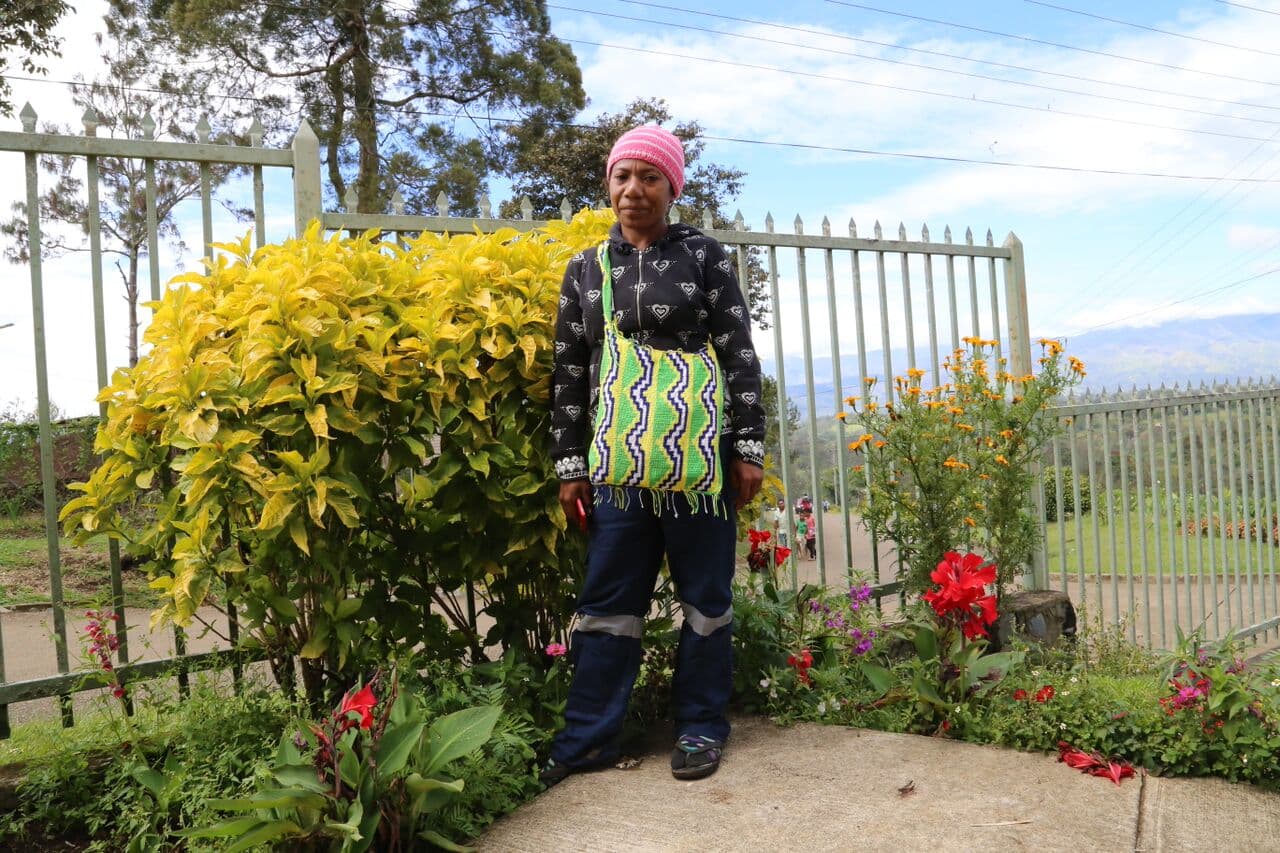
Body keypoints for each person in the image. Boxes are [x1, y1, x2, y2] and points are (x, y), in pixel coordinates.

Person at [545, 124, 765, 785]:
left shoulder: (704, 256)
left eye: (649, 177)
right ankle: (589, 738)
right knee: (609, 600)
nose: (633, 190)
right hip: (616, 472)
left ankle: (700, 727)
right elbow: (568, 371)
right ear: (607, 185)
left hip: (699, 467)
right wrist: (569, 464)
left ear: (672, 187)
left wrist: (748, 446)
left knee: (704, 598)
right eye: (622, 177)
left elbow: (738, 353)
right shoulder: (588, 269)